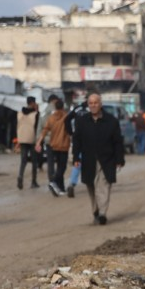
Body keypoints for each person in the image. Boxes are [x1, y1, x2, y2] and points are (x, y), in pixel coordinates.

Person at [72, 91, 125, 225]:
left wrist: (119, 159)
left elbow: (118, 142)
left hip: (107, 159)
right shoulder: (82, 121)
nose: (93, 105)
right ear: (88, 105)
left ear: (101, 104)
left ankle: (102, 213)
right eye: (91, 103)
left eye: (96, 103)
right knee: (91, 186)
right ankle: (95, 210)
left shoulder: (111, 121)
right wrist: (76, 157)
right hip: (88, 158)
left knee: (104, 184)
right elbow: (77, 140)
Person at [37, 97, 70, 197]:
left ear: (55, 107)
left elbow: (45, 130)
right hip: (64, 145)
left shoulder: (51, 118)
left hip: (53, 145)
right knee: (62, 167)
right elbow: (71, 131)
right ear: (63, 107)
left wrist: (38, 142)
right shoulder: (66, 117)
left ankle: (61, 188)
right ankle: (54, 181)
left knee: (57, 165)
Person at [63, 93, 86, 197]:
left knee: (77, 161)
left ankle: (72, 183)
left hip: (77, 138)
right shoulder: (94, 110)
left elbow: (67, 119)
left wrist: (71, 133)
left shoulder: (77, 109)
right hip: (90, 139)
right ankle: (93, 183)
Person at [16, 95, 40, 190]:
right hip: (32, 138)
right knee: (34, 161)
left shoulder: (19, 113)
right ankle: (33, 181)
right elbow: (37, 127)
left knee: (23, 160)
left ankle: (20, 176)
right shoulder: (35, 114)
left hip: (22, 138)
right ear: (33, 103)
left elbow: (17, 125)